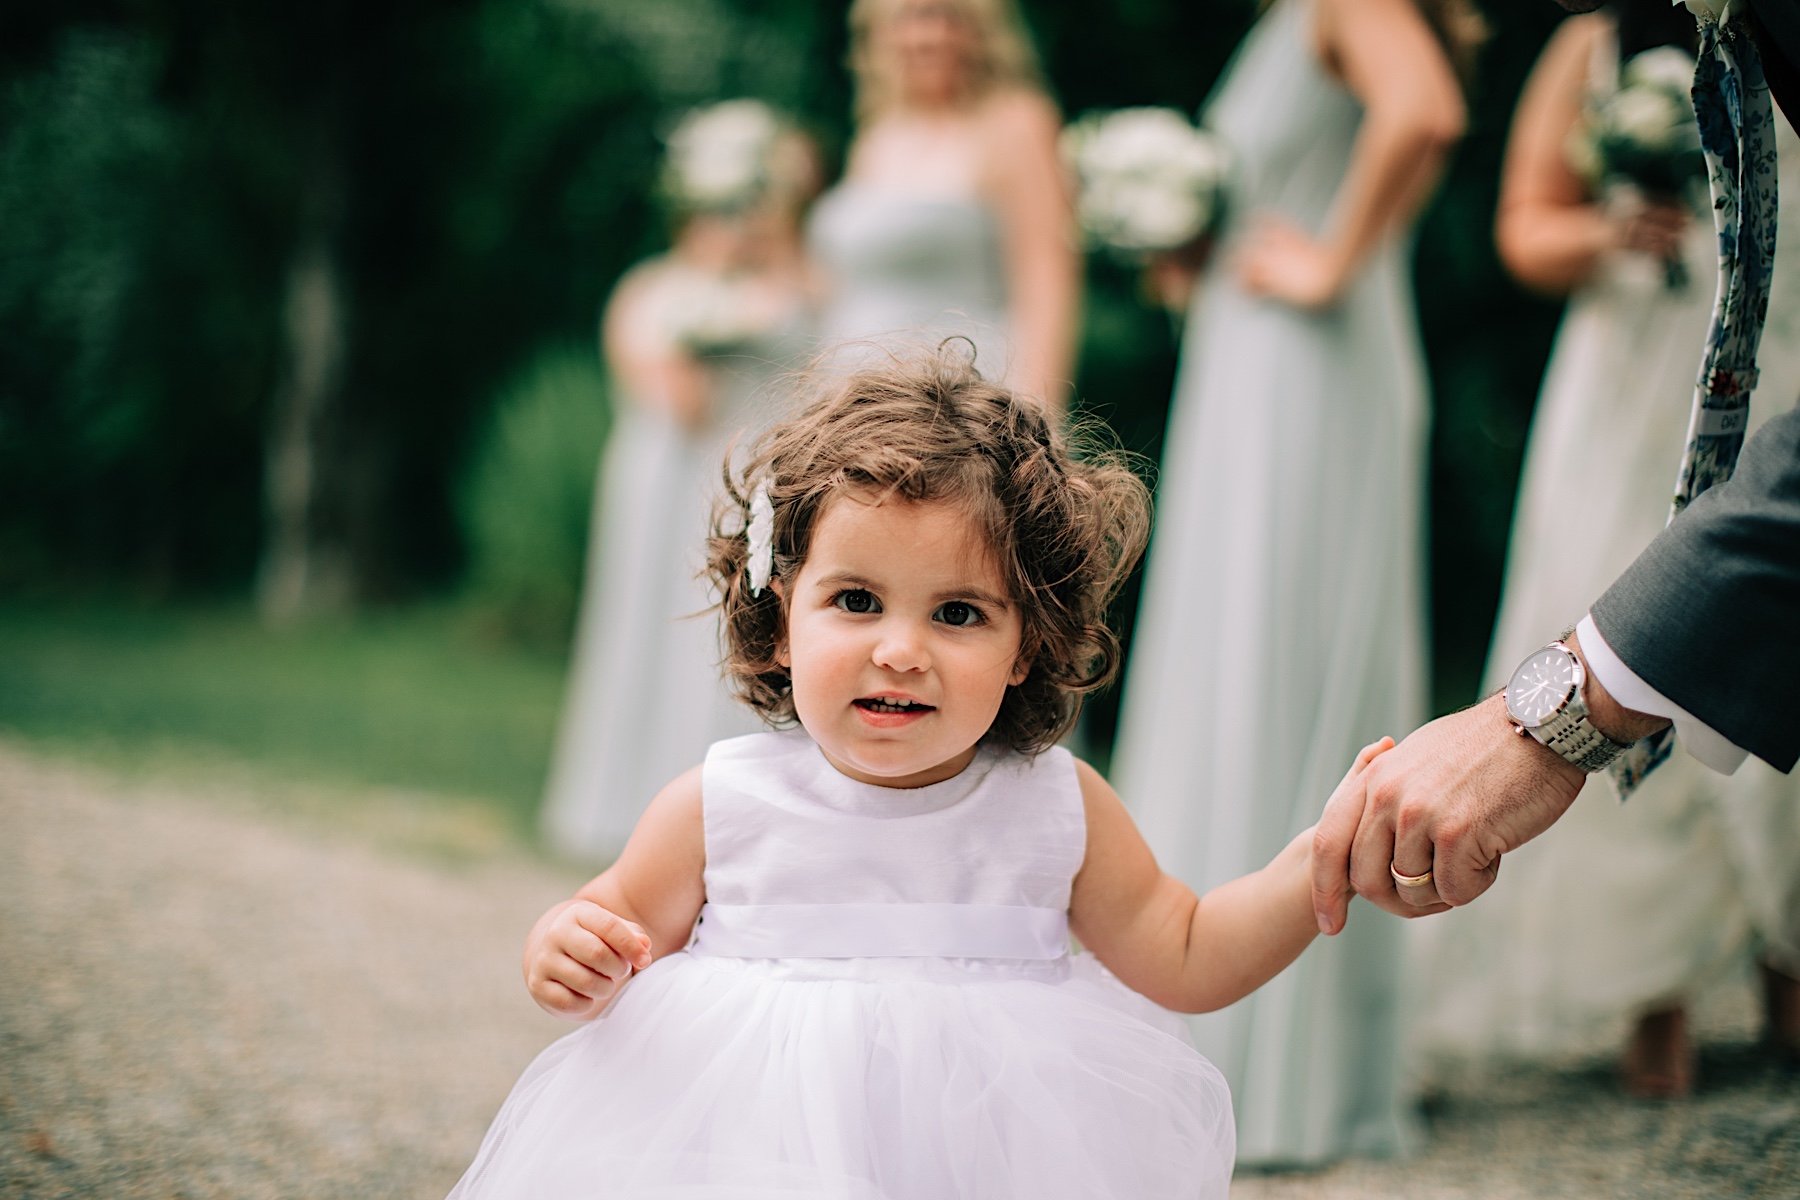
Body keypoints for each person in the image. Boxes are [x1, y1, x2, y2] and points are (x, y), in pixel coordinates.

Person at [447, 350, 1389, 1199]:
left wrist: (1316, 861)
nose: (901, 651)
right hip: (755, 1153)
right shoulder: (721, 803)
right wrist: (564, 947)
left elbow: (1184, 952)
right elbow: (609, 927)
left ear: (1028, 645)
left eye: (960, 614)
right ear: (781, 621)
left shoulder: (1055, 806)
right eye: (856, 601)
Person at [1311, 0, 1800, 1060]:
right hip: (1637, 381)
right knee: (1624, 600)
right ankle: (1646, 981)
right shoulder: (1591, 45)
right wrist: (1610, 232)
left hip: (1786, 360)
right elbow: (1523, 230)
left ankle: (1785, 955)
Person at [1105, 0, 1481, 1166]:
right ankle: (1230, 1042)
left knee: (1272, 664)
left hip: (1304, 373)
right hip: (1263, 364)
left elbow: (1425, 112)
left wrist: (1327, 260)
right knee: (1238, 661)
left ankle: (1271, 1072)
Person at [541, 103, 820, 861]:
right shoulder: (651, 292)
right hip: (668, 488)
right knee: (657, 628)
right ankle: (634, 799)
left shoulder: (805, 284)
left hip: (766, 481)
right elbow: (679, 401)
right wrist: (710, 329)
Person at [807, 0, 1078, 412]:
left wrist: (1038, 415)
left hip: (955, 399)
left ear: (979, 31)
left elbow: (1046, 279)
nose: (927, 36)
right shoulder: (877, 133)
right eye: (907, 19)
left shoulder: (1016, 123)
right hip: (850, 394)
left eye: (944, 16)